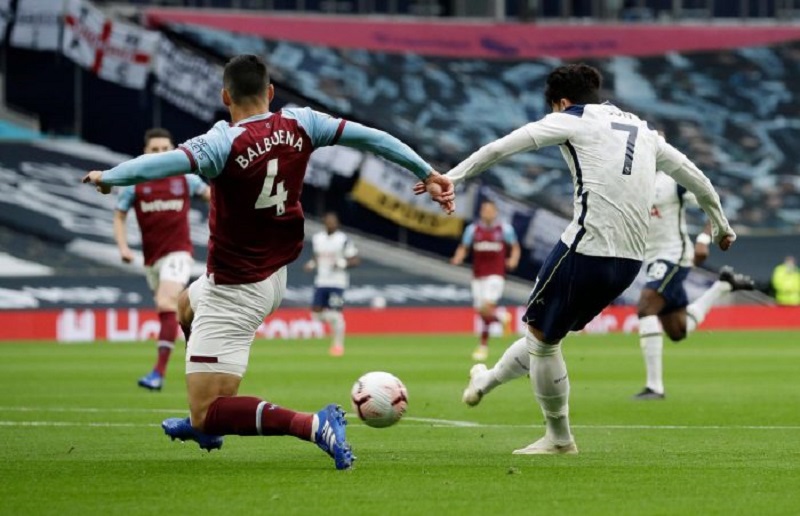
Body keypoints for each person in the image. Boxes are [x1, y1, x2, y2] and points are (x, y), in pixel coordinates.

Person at [83, 54, 454, 470]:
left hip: (236, 288)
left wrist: (110, 176)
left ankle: (312, 425)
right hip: (275, 274)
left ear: (226, 96)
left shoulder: (220, 142)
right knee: (185, 306)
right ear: (271, 93)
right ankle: (205, 419)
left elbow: (163, 163)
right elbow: (373, 138)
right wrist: (427, 171)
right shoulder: (302, 122)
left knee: (209, 410)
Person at [426, 63, 736, 455]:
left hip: (586, 246)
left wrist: (452, 176)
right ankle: (485, 381)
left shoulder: (573, 120)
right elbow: (698, 178)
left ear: (562, 102)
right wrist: (721, 225)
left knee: (541, 343)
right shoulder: (643, 130)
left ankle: (558, 438)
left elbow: (501, 147)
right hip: (628, 263)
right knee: (544, 330)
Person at [634, 171, 754, 400]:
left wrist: (703, 240)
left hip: (674, 256)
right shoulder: (630, 179)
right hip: (651, 258)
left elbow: (710, 200)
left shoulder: (672, 183)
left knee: (646, 307)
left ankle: (654, 387)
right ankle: (722, 287)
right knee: (678, 331)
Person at [113, 128, 211, 391]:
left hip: (179, 252)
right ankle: (198, 337)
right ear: (145, 152)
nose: (160, 154)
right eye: (154, 150)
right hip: (152, 259)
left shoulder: (185, 179)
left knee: (165, 301)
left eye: (165, 149)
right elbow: (119, 214)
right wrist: (123, 247)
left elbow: (213, 196)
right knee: (171, 310)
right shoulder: (135, 181)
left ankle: (158, 373)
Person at [451, 199, 520, 361]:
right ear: (481, 212)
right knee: (482, 311)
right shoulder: (473, 230)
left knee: (486, 308)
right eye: (484, 210)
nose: (487, 213)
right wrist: (458, 257)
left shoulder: (504, 229)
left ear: (495, 212)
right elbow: (464, 246)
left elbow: (515, 246)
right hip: (478, 275)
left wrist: (513, 259)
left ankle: (483, 346)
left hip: (496, 275)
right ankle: (502, 318)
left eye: (490, 210)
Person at [303, 212, 360, 357]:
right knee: (315, 314)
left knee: (336, 314)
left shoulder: (343, 239)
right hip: (321, 281)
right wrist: (311, 264)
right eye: (328, 222)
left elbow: (355, 260)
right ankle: (333, 318)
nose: (330, 224)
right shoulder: (318, 238)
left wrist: (342, 263)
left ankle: (338, 345)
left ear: (337, 224)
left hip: (337, 282)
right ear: (324, 223)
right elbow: (317, 256)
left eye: (333, 222)